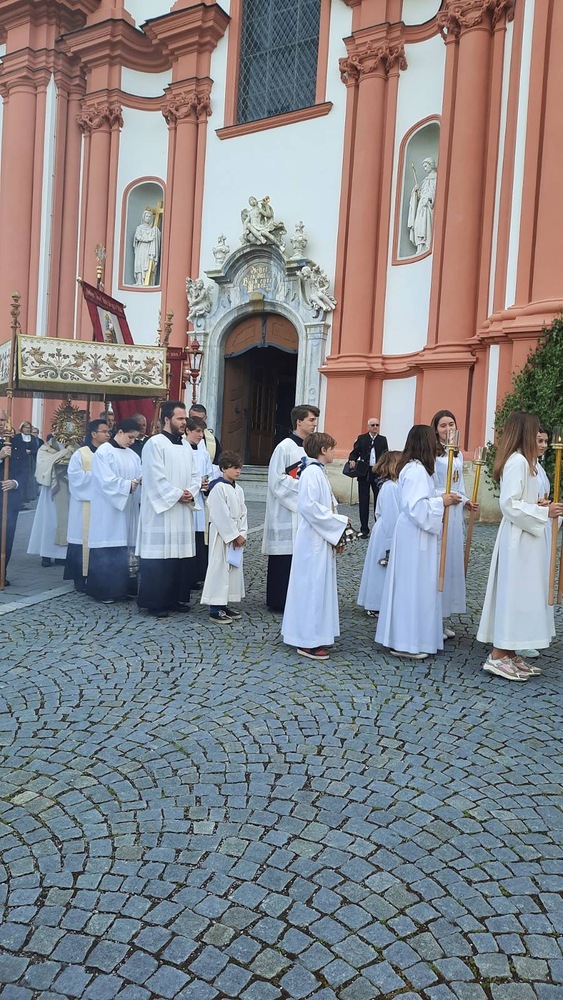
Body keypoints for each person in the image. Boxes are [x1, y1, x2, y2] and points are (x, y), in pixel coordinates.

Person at [477, 411, 563, 681]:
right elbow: (509, 504)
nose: (539, 437)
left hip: (530, 540)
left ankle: (511, 652)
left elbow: (525, 500)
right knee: (514, 594)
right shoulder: (517, 462)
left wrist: (542, 505)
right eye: (535, 431)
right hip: (518, 540)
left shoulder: (530, 464)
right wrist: (544, 512)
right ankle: (498, 655)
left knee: (526, 594)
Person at [375, 425, 461, 659]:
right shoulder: (415, 470)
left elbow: (421, 499)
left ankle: (414, 637)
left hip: (417, 533)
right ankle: (406, 642)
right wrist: (441, 502)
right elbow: (415, 506)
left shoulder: (418, 469)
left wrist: (440, 497)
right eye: (433, 441)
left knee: (417, 585)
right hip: (415, 534)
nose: (437, 445)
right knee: (411, 586)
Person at [282, 433, 349, 660]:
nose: (335, 452)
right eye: (332, 448)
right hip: (312, 542)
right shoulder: (311, 473)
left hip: (321, 538)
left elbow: (329, 505)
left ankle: (315, 635)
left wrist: (337, 536)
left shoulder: (318, 471)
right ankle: (307, 641)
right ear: (322, 450)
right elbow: (309, 507)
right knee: (311, 588)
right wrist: (339, 525)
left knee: (318, 588)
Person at [136, 401, 201, 619]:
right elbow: (154, 478)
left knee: (178, 558)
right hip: (162, 512)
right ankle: (155, 602)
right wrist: (177, 494)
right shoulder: (154, 444)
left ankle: (175, 598)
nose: (184, 423)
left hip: (181, 510)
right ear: (166, 419)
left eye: (185, 419)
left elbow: (195, 475)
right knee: (160, 558)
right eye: (180, 418)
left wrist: (191, 492)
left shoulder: (186, 446)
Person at [262, 404, 320, 611]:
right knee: (283, 558)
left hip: (303, 512)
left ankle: (298, 598)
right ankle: (278, 600)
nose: (315, 424)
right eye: (311, 420)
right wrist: (303, 488)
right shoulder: (284, 447)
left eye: (315, 420)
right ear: (299, 421)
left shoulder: (312, 448)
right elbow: (276, 480)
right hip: (285, 511)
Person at [431, 410, 479, 636]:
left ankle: (442, 616)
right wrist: (443, 496)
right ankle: (432, 619)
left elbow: (459, 485)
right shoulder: (432, 454)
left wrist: (466, 500)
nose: (448, 428)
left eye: (451, 424)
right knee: (439, 561)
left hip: (456, 511)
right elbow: (430, 485)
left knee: (451, 562)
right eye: (443, 425)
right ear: (435, 430)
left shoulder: (457, 454)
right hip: (440, 509)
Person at [86, 418, 141, 604]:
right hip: (107, 510)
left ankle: (123, 589)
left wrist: (140, 482)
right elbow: (105, 480)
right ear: (120, 432)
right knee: (108, 547)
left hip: (128, 509)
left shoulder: (133, 455)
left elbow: (140, 475)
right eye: (130, 437)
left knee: (125, 548)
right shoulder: (104, 452)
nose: (132, 441)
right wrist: (127, 485)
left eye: (135, 438)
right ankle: (104, 591)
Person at [200, 451, 248, 624]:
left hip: (236, 535)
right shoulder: (218, 488)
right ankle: (215, 608)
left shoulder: (238, 489)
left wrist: (242, 533)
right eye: (234, 468)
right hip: (222, 535)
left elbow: (243, 513)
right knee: (219, 569)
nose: (238, 471)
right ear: (223, 469)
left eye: (239, 468)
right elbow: (219, 514)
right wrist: (233, 535)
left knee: (231, 571)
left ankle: (224, 604)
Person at [64, 419, 110, 592]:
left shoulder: (109, 452)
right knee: (81, 539)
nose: (108, 435)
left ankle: (97, 575)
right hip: (84, 506)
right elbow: (76, 478)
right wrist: (100, 478)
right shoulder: (81, 454)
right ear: (93, 434)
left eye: (109, 432)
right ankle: (79, 577)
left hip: (103, 505)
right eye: (104, 431)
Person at [357, 451, 401, 618]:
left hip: (385, 529)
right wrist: (391, 542)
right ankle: (376, 603)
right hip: (386, 531)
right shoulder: (390, 488)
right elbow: (391, 515)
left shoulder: (393, 486)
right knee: (381, 568)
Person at [27, 433, 72, 567]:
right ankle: (46, 553)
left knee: (65, 521)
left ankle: (61, 555)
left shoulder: (74, 447)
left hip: (68, 488)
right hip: (50, 490)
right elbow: (43, 464)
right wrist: (62, 456)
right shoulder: (45, 448)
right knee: (48, 521)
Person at [185, 416, 214, 588]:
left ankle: (198, 575)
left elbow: (209, 475)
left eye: (202, 432)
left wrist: (206, 485)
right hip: (186, 500)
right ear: (187, 430)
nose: (201, 435)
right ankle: (187, 576)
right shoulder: (181, 450)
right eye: (197, 431)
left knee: (199, 538)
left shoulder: (203, 454)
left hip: (200, 502)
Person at [348, 418, 389, 537]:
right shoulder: (362, 438)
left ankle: (378, 527)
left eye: (377, 425)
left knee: (379, 500)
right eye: (373, 425)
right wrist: (352, 460)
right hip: (364, 472)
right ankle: (364, 529)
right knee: (364, 501)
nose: (375, 427)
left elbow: (386, 454)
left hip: (378, 472)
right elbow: (355, 452)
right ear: (368, 427)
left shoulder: (382, 439)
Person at [0, 410, 24, 582]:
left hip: (9, 499)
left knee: (6, 536)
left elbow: (25, 470)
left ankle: (2, 572)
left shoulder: (16, 443)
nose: (0, 423)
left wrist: (15, 482)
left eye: (3, 420)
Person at [408, 157, 437, 255]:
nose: (424, 169)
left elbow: (435, 192)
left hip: (428, 206)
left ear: (431, 165)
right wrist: (416, 191)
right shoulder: (425, 180)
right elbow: (421, 195)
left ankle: (426, 245)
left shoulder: (436, 178)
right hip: (422, 206)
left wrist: (428, 198)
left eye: (426, 166)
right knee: (419, 225)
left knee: (426, 225)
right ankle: (420, 247)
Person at [10, 421, 40, 504]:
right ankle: (21, 497)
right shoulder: (17, 437)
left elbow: (36, 449)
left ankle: (29, 495)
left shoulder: (32, 438)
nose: (27, 429)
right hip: (19, 459)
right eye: (26, 427)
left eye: (29, 428)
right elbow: (14, 448)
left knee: (30, 477)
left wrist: (31, 451)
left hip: (30, 460)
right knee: (21, 476)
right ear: (22, 428)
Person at [189, 403, 222, 470]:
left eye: (200, 419)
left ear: (205, 418)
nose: (197, 422)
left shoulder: (212, 441)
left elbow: (217, 464)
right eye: (194, 418)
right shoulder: (180, 437)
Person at [133, 208, 161, 286]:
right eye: (146, 216)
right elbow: (138, 237)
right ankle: (139, 281)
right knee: (140, 264)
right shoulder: (139, 228)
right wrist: (148, 239)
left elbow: (155, 238)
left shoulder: (153, 229)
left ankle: (146, 281)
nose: (148, 218)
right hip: (141, 248)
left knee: (147, 264)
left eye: (149, 217)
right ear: (143, 217)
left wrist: (157, 233)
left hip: (149, 249)